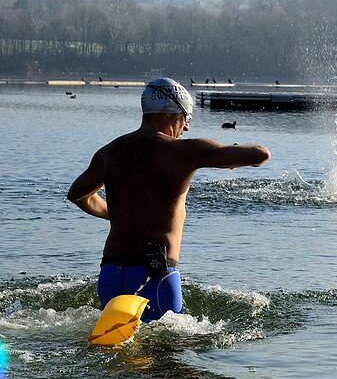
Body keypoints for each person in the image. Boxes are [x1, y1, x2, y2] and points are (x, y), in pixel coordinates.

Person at [67, 77, 271, 322]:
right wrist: (227, 150)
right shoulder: (182, 152)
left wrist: (114, 212)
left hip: (110, 273)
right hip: (155, 276)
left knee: (114, 349)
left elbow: (78, 194)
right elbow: (261, 155)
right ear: (169, 113)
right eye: (186, 118)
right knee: (168, 355)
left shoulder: (110, 151)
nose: (186, 128)